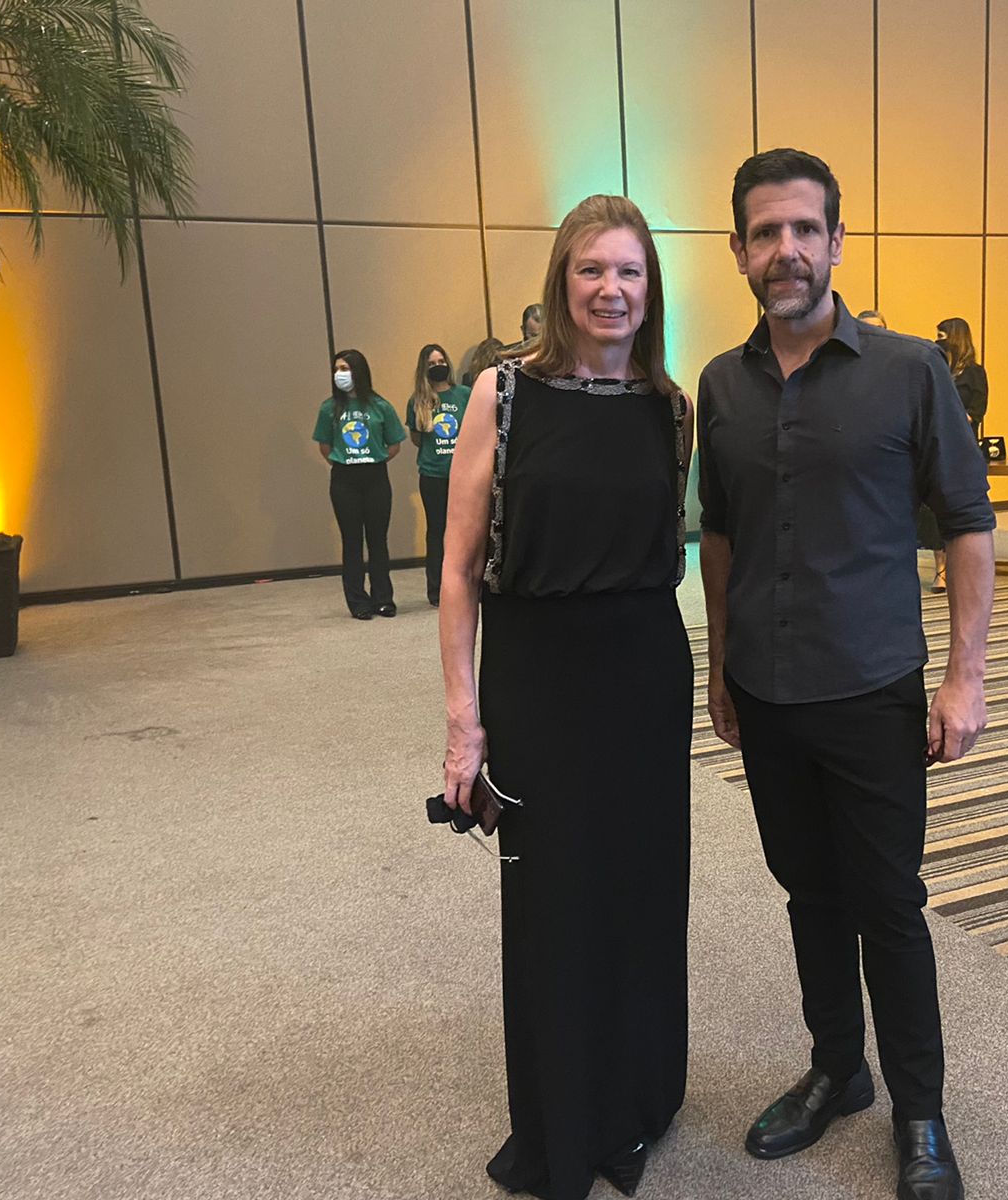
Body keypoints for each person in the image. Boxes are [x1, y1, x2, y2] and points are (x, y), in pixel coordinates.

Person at [698, 148, 994, 1200]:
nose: (785, 250)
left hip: (871, 688)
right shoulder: (721, 385)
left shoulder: (909, 371)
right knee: (807, 894)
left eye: (803, 230)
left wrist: (965, 677)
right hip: (766, 690)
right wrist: (719, 666)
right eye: (764, 233)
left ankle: (920, 1111)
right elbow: (720, 533)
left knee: (887, 905)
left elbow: (967, 522)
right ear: (739, 252)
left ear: (835, 241)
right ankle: (838, 1069)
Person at [439, 193, 694, 1199]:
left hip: (645, 678)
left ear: (651, 289)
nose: (610, 288)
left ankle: (635, 1100)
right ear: (561, 280)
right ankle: (562, 1119)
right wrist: (464, 723)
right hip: (537, 679)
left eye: (629, 270)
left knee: (639, 889)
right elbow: (458, 570)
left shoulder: (670, 407)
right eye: (592, 268)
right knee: (553, 898)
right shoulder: (503, 394)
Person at [311, 348, 406, 619]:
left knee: (378, 540)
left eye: (345, 369)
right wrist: (346, 460)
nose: (339, 374)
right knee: (352, 541)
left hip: (375, 477)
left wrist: (370, 458)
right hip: (344, 480)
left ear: (359, 372)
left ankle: (383, 599)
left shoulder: (380, 406)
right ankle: (358, 601)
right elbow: (325, 446)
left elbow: (394, 444)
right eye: (336, 369)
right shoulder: (329, 408)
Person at [918, 317, 989, 592]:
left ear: (956, 338)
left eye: (942, 336)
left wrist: (948, 416)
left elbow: (977, 411)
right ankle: (941, 569)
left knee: (958, 509)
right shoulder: (938, 367)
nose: (938, 341)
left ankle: (961, 568)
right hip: (933, 444)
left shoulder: (975, 373)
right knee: (930, 511)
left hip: (961, 447)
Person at [405, 343, 469, 607]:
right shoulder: (418, 401)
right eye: (431, 364)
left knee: (466, 531)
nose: (437, 366)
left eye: (441, 361)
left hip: (463, 475)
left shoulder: (464, 395)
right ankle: (436, 589)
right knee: (436, 531)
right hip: (433, 474)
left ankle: (467, 585)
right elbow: (417, 439)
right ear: (424, 369)